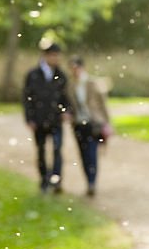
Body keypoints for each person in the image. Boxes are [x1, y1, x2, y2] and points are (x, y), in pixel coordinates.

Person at [23, 42, 71, 194]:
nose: (56, 59)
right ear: (46, 56)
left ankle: (56, 180)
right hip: (39, 120)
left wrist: (66, 111)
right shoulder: (33, 75)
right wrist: (29, 118)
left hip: (56, 119)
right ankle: (44, 179)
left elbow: (65, 96)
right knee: (41, 150)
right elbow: (27, 98)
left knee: (57, 149)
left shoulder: (61, 75)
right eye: (53, 55)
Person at [66, 56, 111, 197]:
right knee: (83, 154)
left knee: (91, 153)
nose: (75, 71)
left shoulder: (93, 83)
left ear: (82, 67)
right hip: (78, 124)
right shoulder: (70, 86)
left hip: (93, 123)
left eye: (76, 68)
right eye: (72, 69)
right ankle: (88, 180)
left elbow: (103, 105)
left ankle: (92, 182)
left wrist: (107, 123)